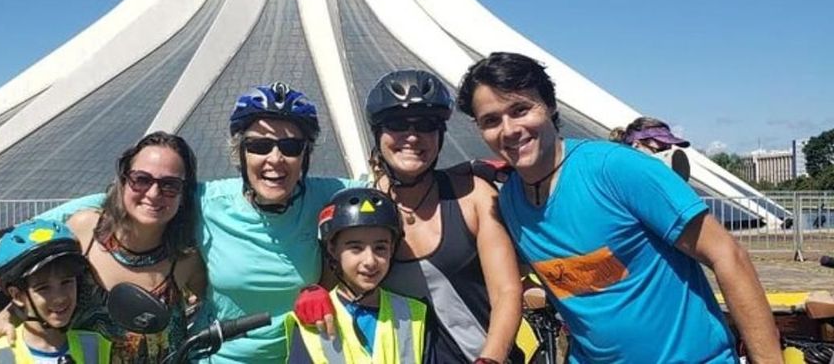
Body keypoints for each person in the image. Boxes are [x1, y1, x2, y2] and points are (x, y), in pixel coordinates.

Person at [0, 83, 348, 364]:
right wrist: (7, 306)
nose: (276, 158)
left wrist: (324, 289)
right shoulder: (93, 226)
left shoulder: (184, 253)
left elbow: (375, 196)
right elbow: (45, 273)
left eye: (292, 147)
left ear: (306, 155)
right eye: (260, 146)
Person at [456, 51, 782, 364]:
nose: (510, 129)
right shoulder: (511, 201)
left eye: (521, 110)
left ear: (550, 106)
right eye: (491, 120)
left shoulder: (617, 169)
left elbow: (727, 255)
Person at [296, 69, 529, 363]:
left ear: (440, 135)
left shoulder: (473, 196)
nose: (412, 136)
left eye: (426, 125)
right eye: (397, 124)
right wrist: (313, 292)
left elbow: (506, 291)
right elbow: (337, 278)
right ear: (378, 134)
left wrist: (491, 359)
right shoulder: (363, 207)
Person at [0, 131, 205, 363]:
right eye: (142, 179)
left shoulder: (186, 257)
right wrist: (4, 318)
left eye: (170, 185)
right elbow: (37, 281)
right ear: (124, 181)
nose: (154, 193)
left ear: (184, 194)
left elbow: (223, 305)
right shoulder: (87, 230)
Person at [286, 188, 431, 363]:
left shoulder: (415, 315)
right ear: (332, 249)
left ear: (392, 249)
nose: (370, 261)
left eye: (380, 248)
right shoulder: (312, 321)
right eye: (356, 248)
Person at [0, 218, 114, 363]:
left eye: (67, 282)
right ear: (17, 295)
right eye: (43, 288)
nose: (59, 297)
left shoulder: (96, 346)